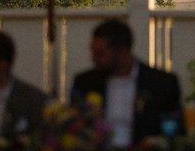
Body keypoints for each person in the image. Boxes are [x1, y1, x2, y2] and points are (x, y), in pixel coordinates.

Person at [71, 19, 183, 148]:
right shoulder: (85, 82)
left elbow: (174, 131)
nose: (93, 59)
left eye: (100, 53)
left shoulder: (161, 83)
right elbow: (74, 127)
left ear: (122, 51)